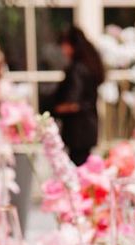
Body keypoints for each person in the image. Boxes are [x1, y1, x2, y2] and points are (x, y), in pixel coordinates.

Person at [51, 27, 105, 165]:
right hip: (88, 127)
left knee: (77, 168)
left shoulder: (77, 69)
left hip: (78, 131)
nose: (63, 50)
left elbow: (73, 102)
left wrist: (54, 109)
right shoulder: (88, 65)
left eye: (64, 45)